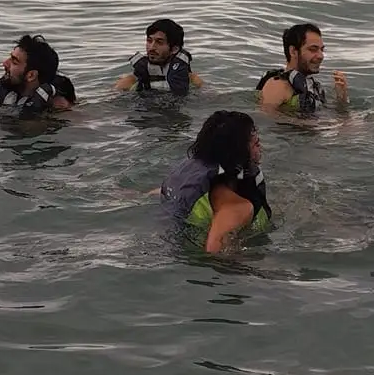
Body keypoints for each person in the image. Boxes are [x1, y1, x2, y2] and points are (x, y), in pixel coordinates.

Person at [161, 109, 270, 253]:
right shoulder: (238, 208)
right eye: (255, 143)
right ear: (237, 153)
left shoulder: (194, 175)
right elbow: (214, 252)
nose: (259, 142)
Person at [257, 22, 349, 113]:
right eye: (313, 49)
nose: (321, 56)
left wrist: (342, 98)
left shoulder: (313, 88)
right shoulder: (278, 85)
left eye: (322, 49)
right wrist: (311, 123)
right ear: (293, 51)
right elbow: (265, 118)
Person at [0, 34, 76, 115]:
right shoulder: (0, 90)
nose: (4, 63)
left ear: (31, 75)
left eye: (14, 62)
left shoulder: (58, 105)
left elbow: (82, 123)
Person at [114, 17, 201, 96]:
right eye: (149, 41)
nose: (151, 47)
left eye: (159, 42)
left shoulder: (192, 81)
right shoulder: (130, 82)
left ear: (174, 49)